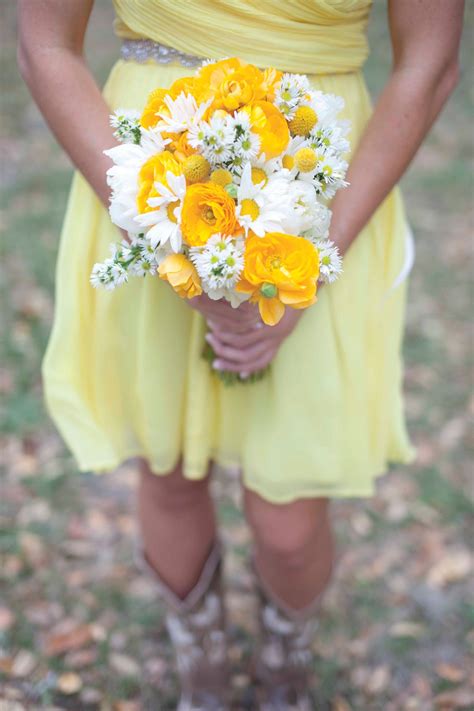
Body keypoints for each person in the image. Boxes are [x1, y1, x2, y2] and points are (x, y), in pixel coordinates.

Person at [18, 1, 463, 709]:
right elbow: (45, 45)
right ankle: (203, 664)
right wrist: (160, 232)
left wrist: (307, 266)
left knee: (288, 519)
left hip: (322, 184)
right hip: (144, 172)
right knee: (166, 466)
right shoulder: (146, 199)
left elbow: (430, 65)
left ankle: (286, 653)